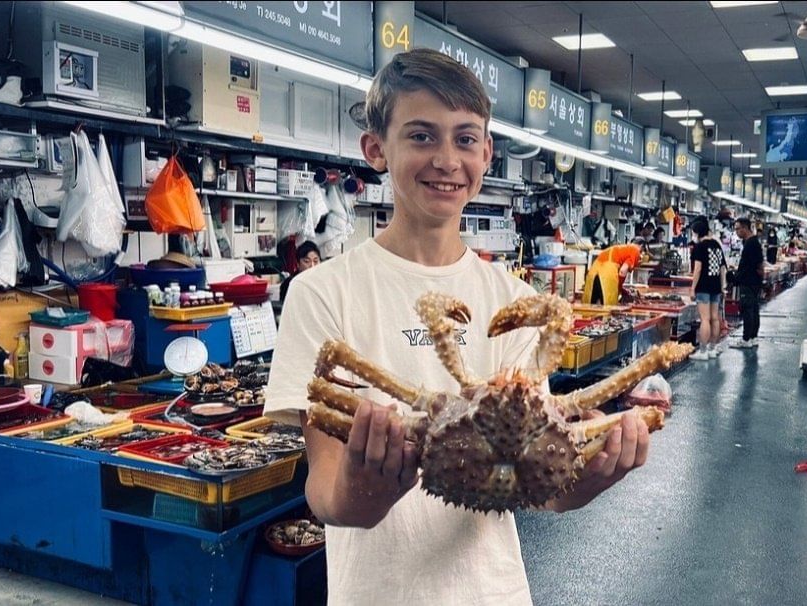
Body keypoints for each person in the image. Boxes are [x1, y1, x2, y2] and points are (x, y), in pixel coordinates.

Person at [264, 49, 650, 605]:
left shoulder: (516, 299)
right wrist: (364, 491)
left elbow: (531, 483)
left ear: (487, 153)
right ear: (376, 149)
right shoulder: (322, 292)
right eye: (421, 136)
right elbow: (324, 490)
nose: (446, 159)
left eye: (465, 139)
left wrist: (589, 478)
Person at [689, 218, 727, 360]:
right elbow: (723, 268)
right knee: (714, 318)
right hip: (716, 285)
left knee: (704, 319)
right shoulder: (716, 245)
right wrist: (723, 286)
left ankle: (703, 351)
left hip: (703, 286)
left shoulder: (700, 247)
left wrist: (692, 288)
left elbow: (697, 269)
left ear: (697, 232)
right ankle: (712, 348)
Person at [732, 217, 764, 349]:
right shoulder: (752, 242)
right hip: (754, 281)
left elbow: (758, 265)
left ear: (745, 228)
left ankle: (746, 339)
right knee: (754, 309)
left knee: (748, 309)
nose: (736, 232)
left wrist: (738, 277)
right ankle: (753, 337)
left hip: (749, 282)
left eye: (738, 229)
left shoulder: (751, 244)